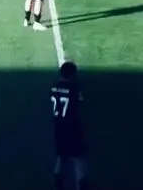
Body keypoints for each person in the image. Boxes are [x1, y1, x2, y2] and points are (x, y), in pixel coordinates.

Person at [51, 60, 88, 190]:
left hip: (58, 127)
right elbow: (81, 103)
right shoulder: (74, 89)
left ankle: (58, 181)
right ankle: (81, 185)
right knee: (79, 158)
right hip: (72, 127)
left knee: (61, 156)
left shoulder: (53, 87)